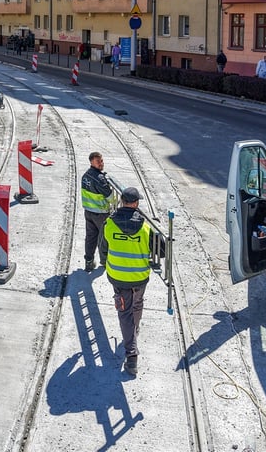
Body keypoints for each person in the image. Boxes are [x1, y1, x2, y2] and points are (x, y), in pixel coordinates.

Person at [100, 187, 162, 376]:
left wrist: (106, 263)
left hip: (118, 277)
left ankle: (132, 355)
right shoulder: (145, 227)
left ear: (123, 202)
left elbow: (103, 250)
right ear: (135, 204)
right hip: (140, 277)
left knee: (124, 312)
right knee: (137, 303)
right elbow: (162, 251)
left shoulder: (109, 224)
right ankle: (135, 329)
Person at [81, 152, 113, 272]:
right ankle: (105, 261)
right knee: (104, 238)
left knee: (90, 238)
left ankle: (89, 262)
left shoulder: (85, 176)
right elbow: (111, 197)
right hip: (101, 213)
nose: (101, 164)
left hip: (88, 212)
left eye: (102, 161)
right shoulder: (99, 179)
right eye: (98, 161)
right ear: (91, 162)